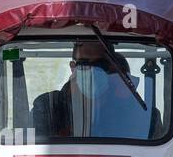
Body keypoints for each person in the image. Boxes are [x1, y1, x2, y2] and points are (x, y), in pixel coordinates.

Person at [31, 40, 159, 140]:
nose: (92, 70)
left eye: (100, 65)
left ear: (111, 68)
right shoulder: (47, 106)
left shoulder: (141, 114)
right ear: (73, 67)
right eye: (83, 63)